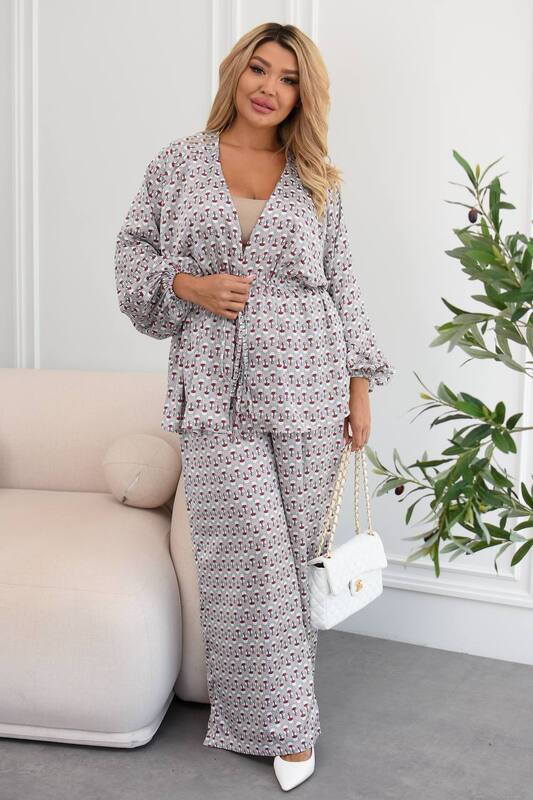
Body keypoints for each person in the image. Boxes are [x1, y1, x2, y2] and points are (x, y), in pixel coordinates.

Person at [114, 21, 395, 792]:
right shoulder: (177, 164)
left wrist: (359, 385)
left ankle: (262, 712)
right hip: (212, 389)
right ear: (236, 72)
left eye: (288, 78)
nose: (270, 87)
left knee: (292, 560)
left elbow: (342, 283)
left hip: (311, 388)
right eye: (260, 69)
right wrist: (189, 286)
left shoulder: (317, 178)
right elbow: (131, 254)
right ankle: (289, 728)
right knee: (251, 558)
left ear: (304, 95)